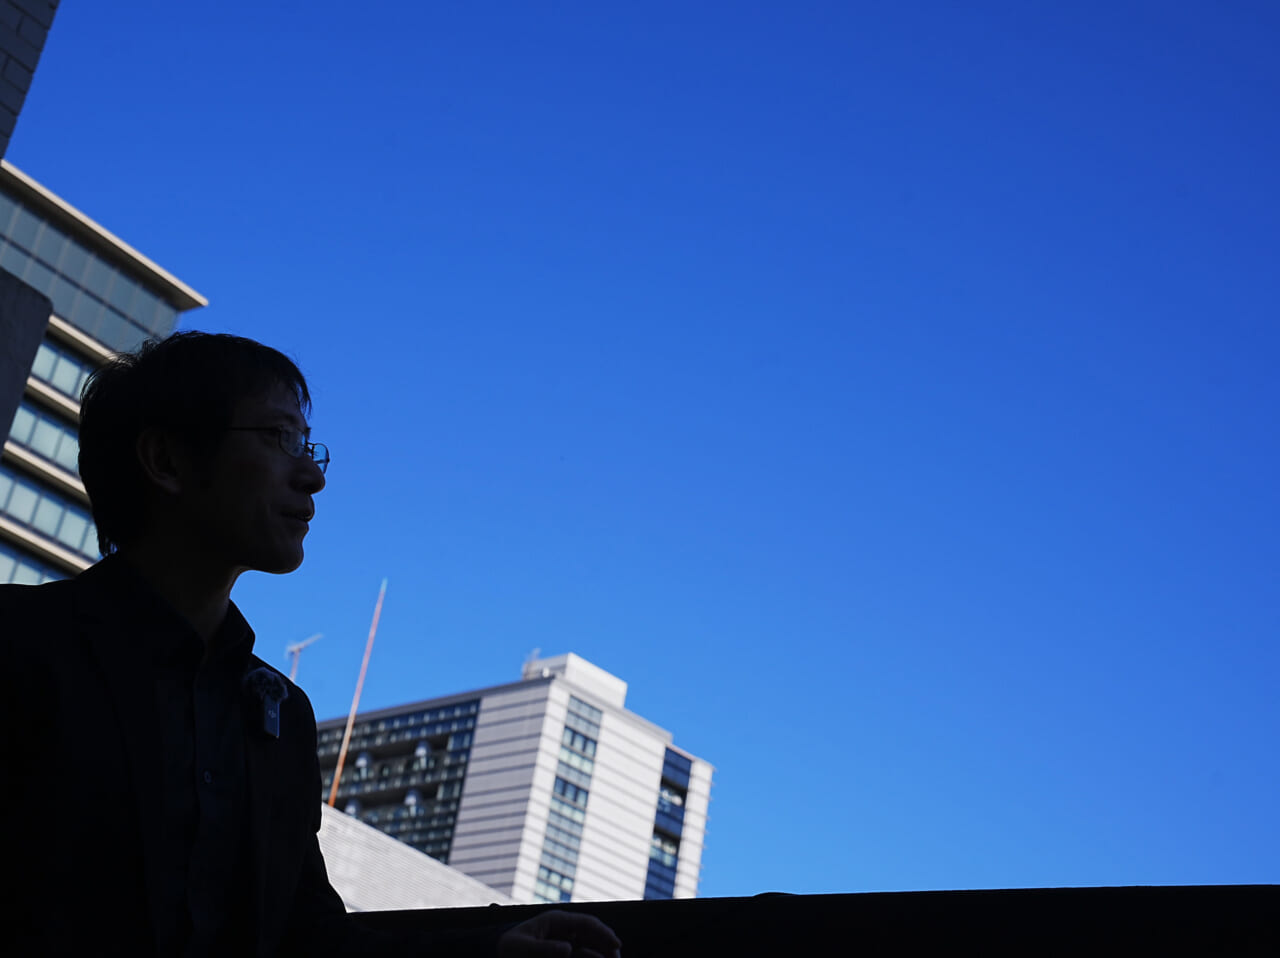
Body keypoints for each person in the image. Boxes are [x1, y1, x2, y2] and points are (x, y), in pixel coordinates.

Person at [0, 332, 620, 957]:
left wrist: (489, 951)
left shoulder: (279, 716)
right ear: (166, 459)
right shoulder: (20, 643)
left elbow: (311, 941)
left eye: (308, 444)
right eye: (278, 439)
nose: (313, 476)